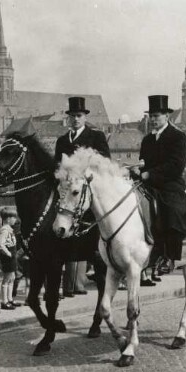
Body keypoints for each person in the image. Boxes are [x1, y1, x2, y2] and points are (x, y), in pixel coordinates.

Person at [55, 97, 110, 297]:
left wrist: (88, 170)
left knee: (93, 225)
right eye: (72, 117)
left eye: (78, 116)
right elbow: (57, 166)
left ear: (85, 117)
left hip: (87, 189)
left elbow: (105, 161)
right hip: (68, 191)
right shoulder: (62, 141)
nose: (75, 120)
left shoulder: (95, 136)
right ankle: (67, 282)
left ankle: (97, 262)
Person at [136, 95, 186, 275]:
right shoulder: (147, 140)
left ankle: (169, 256)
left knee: (172, 209)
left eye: (156, 116)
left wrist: (150, 173)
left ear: (167, 116)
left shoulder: (178, 137)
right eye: (151, 116)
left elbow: (176, 165)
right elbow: (143, 162)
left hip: (170, 184)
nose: (152, 119)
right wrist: (136, 169)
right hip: (147, 184)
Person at [0, 207, 18, 310]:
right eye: (13, 217)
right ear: (7, 218)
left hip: (12, 255)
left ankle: (10, 299)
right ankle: (4, 301)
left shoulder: (10, 229)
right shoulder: (5, 230)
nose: (15, 219)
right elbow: (1, 244)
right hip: (8, 257)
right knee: (7, 279)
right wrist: (8, 253)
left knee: (12, 277)